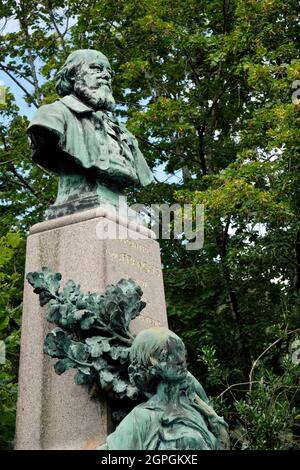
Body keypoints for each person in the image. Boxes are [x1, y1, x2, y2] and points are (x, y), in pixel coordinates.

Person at [27, 49, 154, 218]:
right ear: (73, 75)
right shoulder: (52, 115)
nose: (106, 76)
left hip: (120, 212)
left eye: (109, 72)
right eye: (96, 68)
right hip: (78, 207)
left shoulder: (123, 132)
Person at [98, 327, 229, 450]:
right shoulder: (141, 417)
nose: (180, 360)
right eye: (168, 354)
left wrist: (214, 419)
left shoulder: (196, 410)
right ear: (151, 366)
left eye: (181, 351)